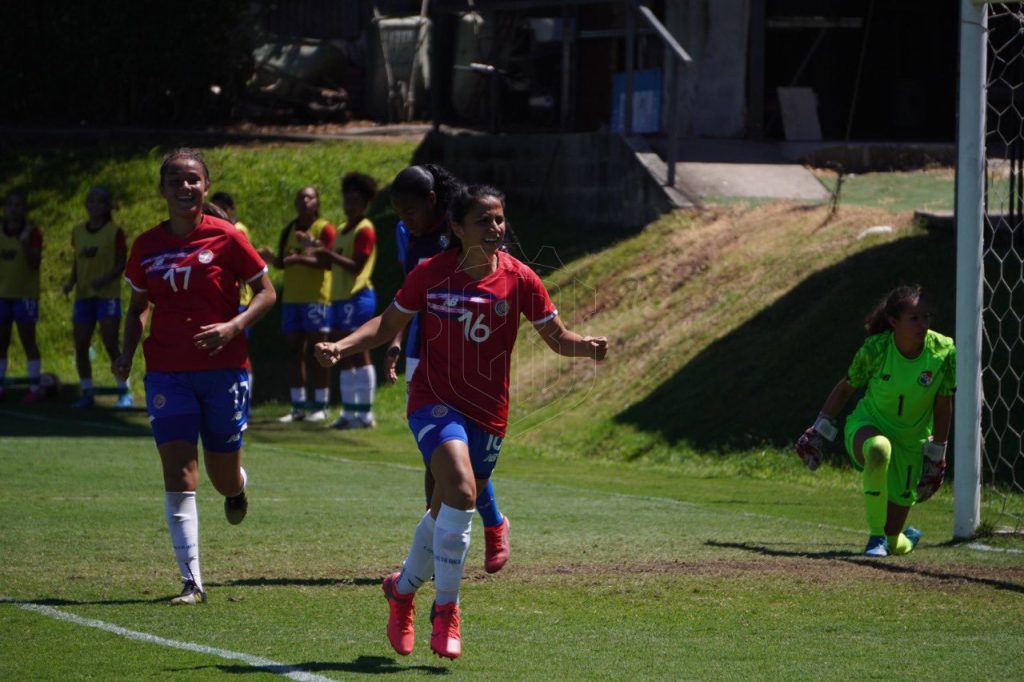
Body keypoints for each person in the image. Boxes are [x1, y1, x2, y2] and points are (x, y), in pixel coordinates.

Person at [315, 184, 609, 659]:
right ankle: (447, 610)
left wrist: (586, 347)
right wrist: (341, 347)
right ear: (456, 227)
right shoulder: (430, 273)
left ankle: (402, 589)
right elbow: (388, 325)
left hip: (488, 411)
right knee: (464, 492)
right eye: (484, 221)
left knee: (441, 516)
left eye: (499, 219)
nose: (496, 228)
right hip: (433, 400)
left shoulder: (520, 278)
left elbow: (556, 337)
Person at [113, 149, 276, 605]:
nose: (185, 188)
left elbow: (267, 292)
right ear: (162, 189)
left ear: (205, 187)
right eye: (175, 181)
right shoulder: (146, 245)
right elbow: (138, 306)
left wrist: (233, 326)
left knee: (222, 476)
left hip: (224, 371)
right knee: (180, 472)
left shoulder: (226, 238)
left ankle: (238, 488)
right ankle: (192, 582)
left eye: (193, 181)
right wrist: (126, 354)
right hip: (167, 371)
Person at [389, 164, 513, 575]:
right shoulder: (410, 237)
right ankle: (442, 534)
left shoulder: (465, 227)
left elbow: (500, 274)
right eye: (400, 213)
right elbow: (408, 293)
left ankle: (491, 524)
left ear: (431, 201)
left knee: (460, 453)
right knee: (441, 452)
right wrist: (393, 340)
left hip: (470, 347)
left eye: (411, 211)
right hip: (424, 347)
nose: (406, 219)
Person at [795, 284, 956, 558]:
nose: (922, 325)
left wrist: (937, 454)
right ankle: (874, 538)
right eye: (914, 318)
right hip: (868, 425)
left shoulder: (945, 351)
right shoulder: (876, 349)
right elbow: (847, 387)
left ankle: (901, 538)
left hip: (911, 443)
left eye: (926, 317)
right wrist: (817, 431)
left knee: (895, 541)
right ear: (894, 322)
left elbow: (943, 405)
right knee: (879, 449)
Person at [309, 172, 379, 429]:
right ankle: (350, 412)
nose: (350, 206)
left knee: (360, 351)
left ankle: (366, 412)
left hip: (357, 295)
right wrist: (315, 249)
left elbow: (355, 265)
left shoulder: (365, 229)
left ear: (365, 203)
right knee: (342, 353)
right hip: (338, 298)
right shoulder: (340, 230)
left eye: (355, 202)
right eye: (347, 201)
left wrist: (327, 252)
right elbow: (331, 263)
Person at [258, 187, 334, 422]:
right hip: (292, 298)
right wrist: (275, 261)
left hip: (316, 297)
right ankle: (298, 406)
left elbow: (330, 261)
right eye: (300, 197)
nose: (304, 201)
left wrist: (303, 256)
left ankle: (321, 405)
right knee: (293, 351)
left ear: (317, 201)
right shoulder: (289, 229)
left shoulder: (325, 228)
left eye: (309, 197)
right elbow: (285, 261)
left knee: (319, 351)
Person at [62, 187, 133, 409]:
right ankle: (87, 391)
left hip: (107, 296)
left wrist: (104, 280)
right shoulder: (78, 231)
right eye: (91, 201)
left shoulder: (114, 232)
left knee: (111, 342)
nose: (94, 205)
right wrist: (71, 282)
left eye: (99, 202)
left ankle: (124, 391)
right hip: (84, 296)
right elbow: (78, 261)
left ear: (106, 206)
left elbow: (121, 263)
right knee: (81, 344)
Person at [0, 189, 44, 403]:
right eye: (10, 205)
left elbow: (34, 262)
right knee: (1, 341)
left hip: (25, 296)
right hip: (2, 295)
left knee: (28, 340)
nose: (14, 209)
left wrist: (25, 243)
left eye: (18, 205)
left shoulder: (32, 233)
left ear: (24, 209)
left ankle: (35, 386)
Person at [211, 191, 256, 393]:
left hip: (240, 301)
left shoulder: (236, 230)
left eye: (223, 208)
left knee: (240, 350)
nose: (219, 212)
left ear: (231, 210)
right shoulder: (214, 230)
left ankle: (246, 396)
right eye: (216, 207)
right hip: (220, 301)